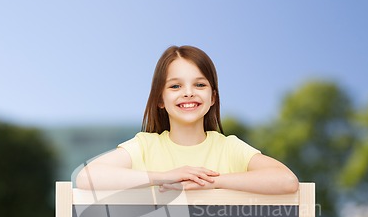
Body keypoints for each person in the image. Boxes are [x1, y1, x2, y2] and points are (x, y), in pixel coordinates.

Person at [76, 45, 298, 194]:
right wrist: (164, 177)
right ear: (160, 99)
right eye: (175, 86)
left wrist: (212, 183)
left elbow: (287, 181)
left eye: (199, 84)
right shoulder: (145, 146)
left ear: (212, 97)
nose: (189, 93)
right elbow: (86, 178)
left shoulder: (228, 148)